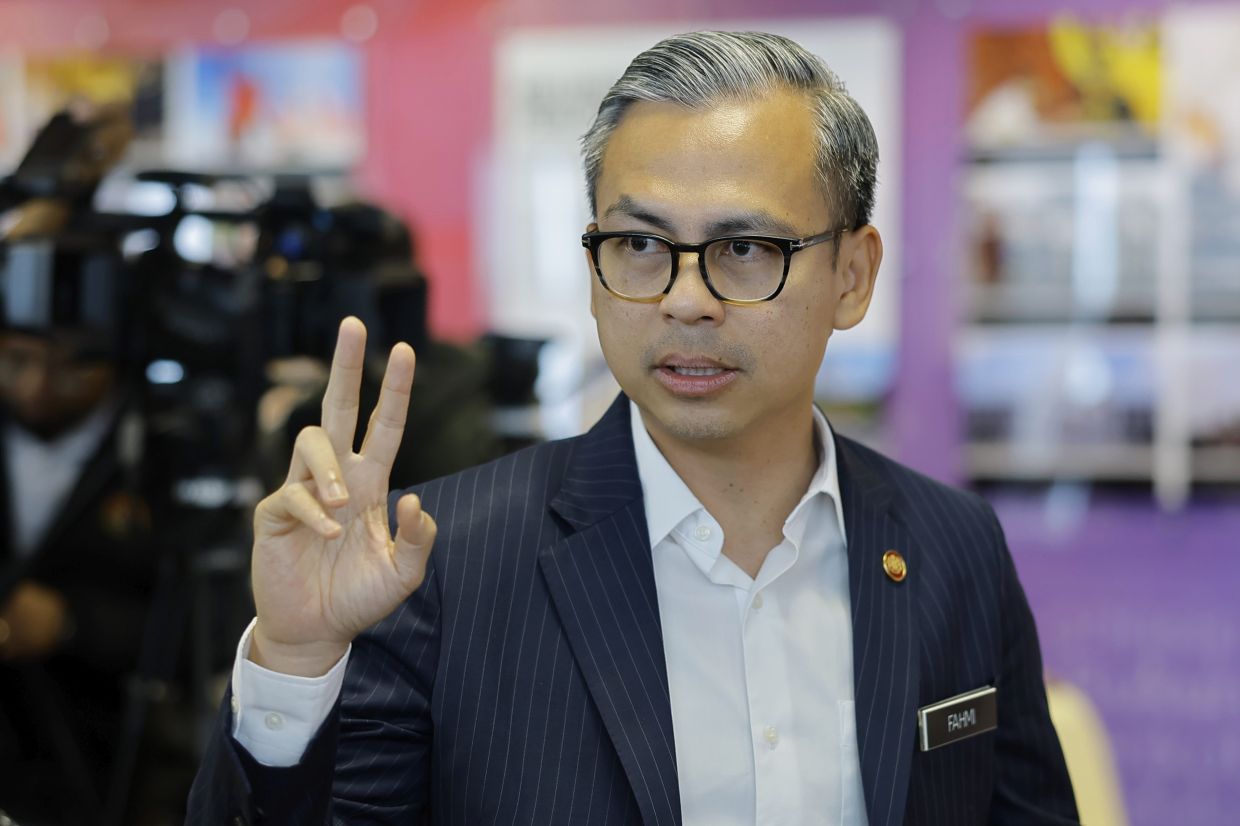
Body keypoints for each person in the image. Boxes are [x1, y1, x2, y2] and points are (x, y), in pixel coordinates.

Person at [188, 31, 1078, 825]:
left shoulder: (953, 548)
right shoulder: (435, 565)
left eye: (744, 249)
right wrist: (294, 660)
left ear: (853, 274)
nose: (685, 300)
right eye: (641, 246)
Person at [0, 326, 154, 824]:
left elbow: (211, 630)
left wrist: (70, 623)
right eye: (16, 361)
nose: (37, 386)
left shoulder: (167, 442)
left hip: (114, 766)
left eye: (71, 365)